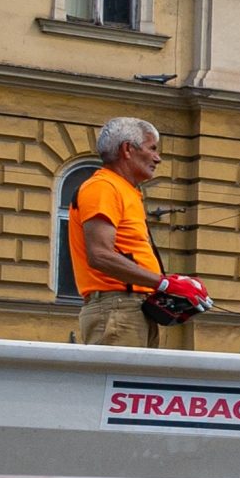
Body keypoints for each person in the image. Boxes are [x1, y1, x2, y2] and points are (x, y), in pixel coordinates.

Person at [70, 118, 205, 346]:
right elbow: (100, 255)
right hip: (118, 309)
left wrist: (168, 284)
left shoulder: (121, 189)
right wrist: (163, 284)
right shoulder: (103, 187)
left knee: (134, 381)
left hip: (128, 309)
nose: (157, 158)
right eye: (152, 148)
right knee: (121, 380)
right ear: (127, 149)